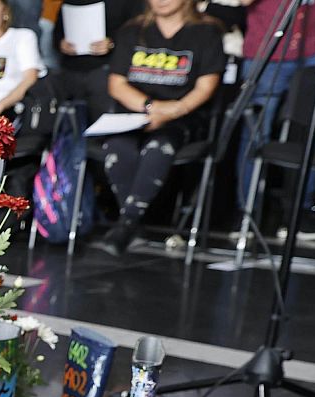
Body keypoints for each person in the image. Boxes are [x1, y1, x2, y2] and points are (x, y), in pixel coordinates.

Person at [90, 0, 223, 256]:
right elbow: (117, 84)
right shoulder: (132, 30)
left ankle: (126, 223)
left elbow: (206, 86)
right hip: (135, 113)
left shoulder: (207, 32)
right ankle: (132, 224)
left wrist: (174, 110)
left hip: (182, 116)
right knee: (118, 148)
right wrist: (150, 108)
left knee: (157, 147)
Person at [236, 0, 315, 240]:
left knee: (313, 134)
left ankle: (299, 213)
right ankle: (247, 213)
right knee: (255, 133)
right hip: (268, 49)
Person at [52, 0, 143, 119]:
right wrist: (61, 43)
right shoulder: (70, 1)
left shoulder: (128, 3)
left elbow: (137, 30)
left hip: (108, 70)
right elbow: (57, 32)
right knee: (69, 125)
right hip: (71, 70)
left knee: (104, 122)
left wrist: (112, 43)